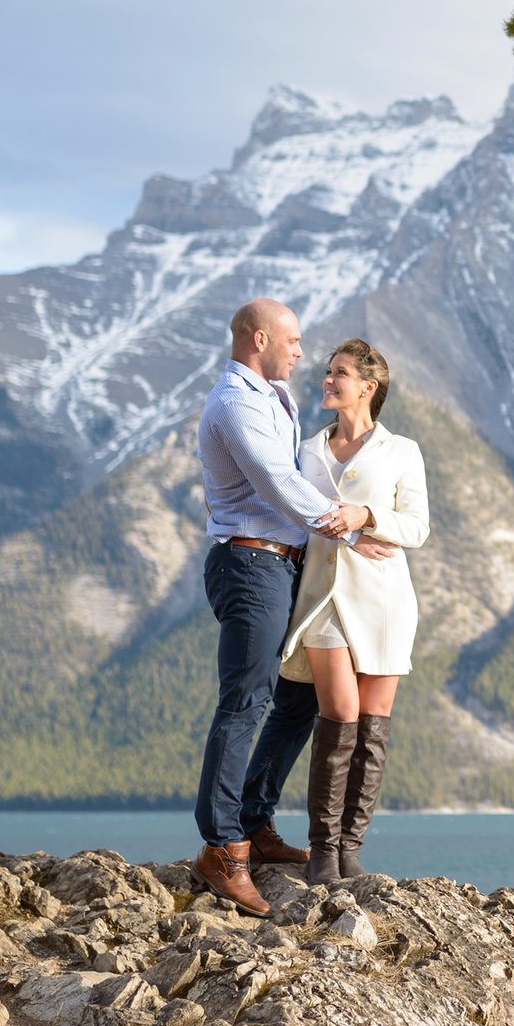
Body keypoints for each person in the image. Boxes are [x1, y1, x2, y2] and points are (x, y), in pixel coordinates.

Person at [192, 298, 366, 915]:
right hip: (250, 562)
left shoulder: (274, 397)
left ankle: (255, 823)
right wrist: (347, 527)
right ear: (259, 338)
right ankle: (221, 847)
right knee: (246, 699)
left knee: (296, 698)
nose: (300, 351)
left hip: (285, 564)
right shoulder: (235, 402)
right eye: (291, 340)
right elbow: (275, 481)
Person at [280, 338, 427, 884]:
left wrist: (367, 514)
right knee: (339, 712)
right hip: (321, 597)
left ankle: (349, 849)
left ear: (368, 387)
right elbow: (294, 515)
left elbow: (417, 527)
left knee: (372, 725)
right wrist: (344, 535)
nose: (327, 379)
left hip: (384, 600)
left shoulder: (401, 450)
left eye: (339, 373)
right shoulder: (306, 449)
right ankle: (322, 850)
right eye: (326, 371)